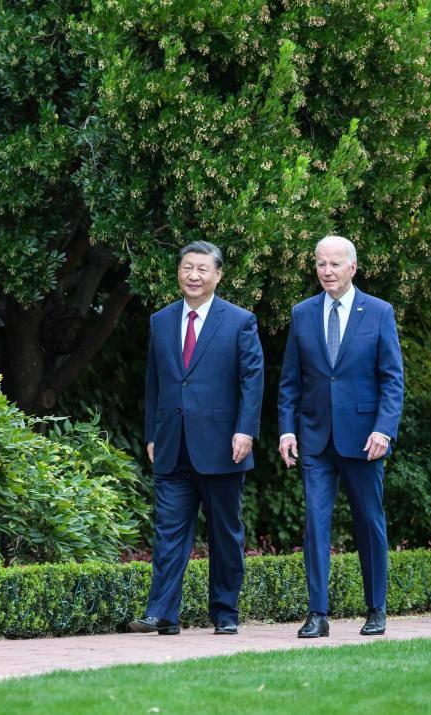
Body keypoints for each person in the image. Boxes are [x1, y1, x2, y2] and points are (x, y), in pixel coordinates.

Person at [129, 241, 264, 636]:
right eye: (187, 267)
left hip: (223, 445)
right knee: (168, 533)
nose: (193, 275)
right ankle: (162, 613)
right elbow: (155, 381)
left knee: (225, 533)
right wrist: (152, 433)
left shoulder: (240, 320)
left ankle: (225, 612)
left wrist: (245, 429)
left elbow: (252, 380)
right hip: (172, 445)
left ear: (218, 275)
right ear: (179, 271)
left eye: (202, 269)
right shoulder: (161, 320)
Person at [278, 235, 404, 638]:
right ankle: (317, 614)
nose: (326, 271)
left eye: (334, 264)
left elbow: (392, 379)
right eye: (320, 264)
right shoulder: (302, 313)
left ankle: (376, 608)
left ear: (353, 266)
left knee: (369, 521)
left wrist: (384, 429)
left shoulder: (380, 312)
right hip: (315, 439)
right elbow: (289, 382)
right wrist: (286, 430)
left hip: (365, 440)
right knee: (315, 524)